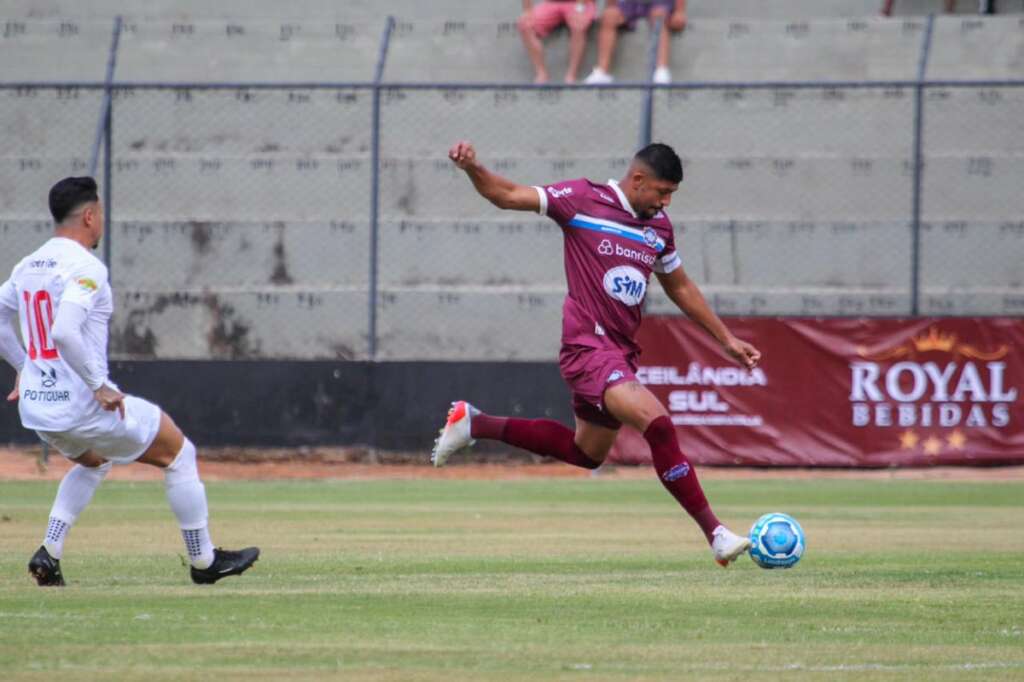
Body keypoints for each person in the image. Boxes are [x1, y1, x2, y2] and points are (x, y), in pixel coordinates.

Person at [433, 141, 760, 567]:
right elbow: (507, 195)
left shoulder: (658, 226)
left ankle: (476, 422)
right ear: (637, 179)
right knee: (657, 424)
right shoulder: (583, 200)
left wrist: (725, 339)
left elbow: (679, 286)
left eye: (671, 195)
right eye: (662, 191)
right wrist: (473, 168)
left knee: (586, 453)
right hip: (587, 347)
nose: (666, 202)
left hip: (619, 353)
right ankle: (715, 533)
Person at [0, 176, 259, 586]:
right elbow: (65, 331)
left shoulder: (28, 264)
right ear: (89, 215)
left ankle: (49, 551)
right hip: (79, 405)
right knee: (179, 453)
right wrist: (99, 384)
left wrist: (22, 366)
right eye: (100, 213)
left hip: (39, 409)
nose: (101, 221)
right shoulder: (86, 267)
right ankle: (204, 560)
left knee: (96, 461)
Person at [584, 0, 687, 85]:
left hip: (660, 3)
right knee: (609, 16)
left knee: (658, 16)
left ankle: (661, 70)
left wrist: (680, 11)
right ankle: (602, 72)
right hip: (629, 3)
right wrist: (610, 6)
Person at [518, 0, 599, 83]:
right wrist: (527, 11)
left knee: (578, 24)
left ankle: (572, 74)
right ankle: (541, 73)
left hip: (581, 3)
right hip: (552, 3)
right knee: (525, 25)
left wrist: (579, 9)